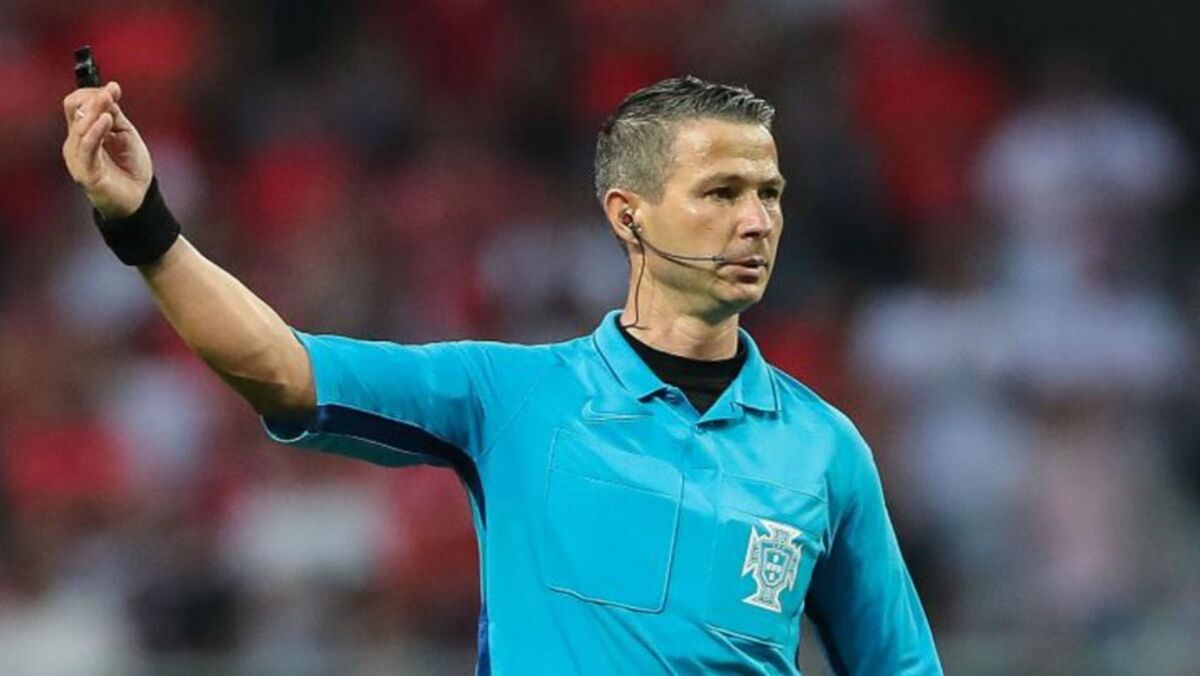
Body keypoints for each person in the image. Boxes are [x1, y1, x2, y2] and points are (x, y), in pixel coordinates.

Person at [62, 75, 942, 675]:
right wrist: (143, 226)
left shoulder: (825, 449)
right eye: (721, 192)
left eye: (770, 192)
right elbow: (283, 368)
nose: (757, 221)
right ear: (629, 216)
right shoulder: (514, 398)